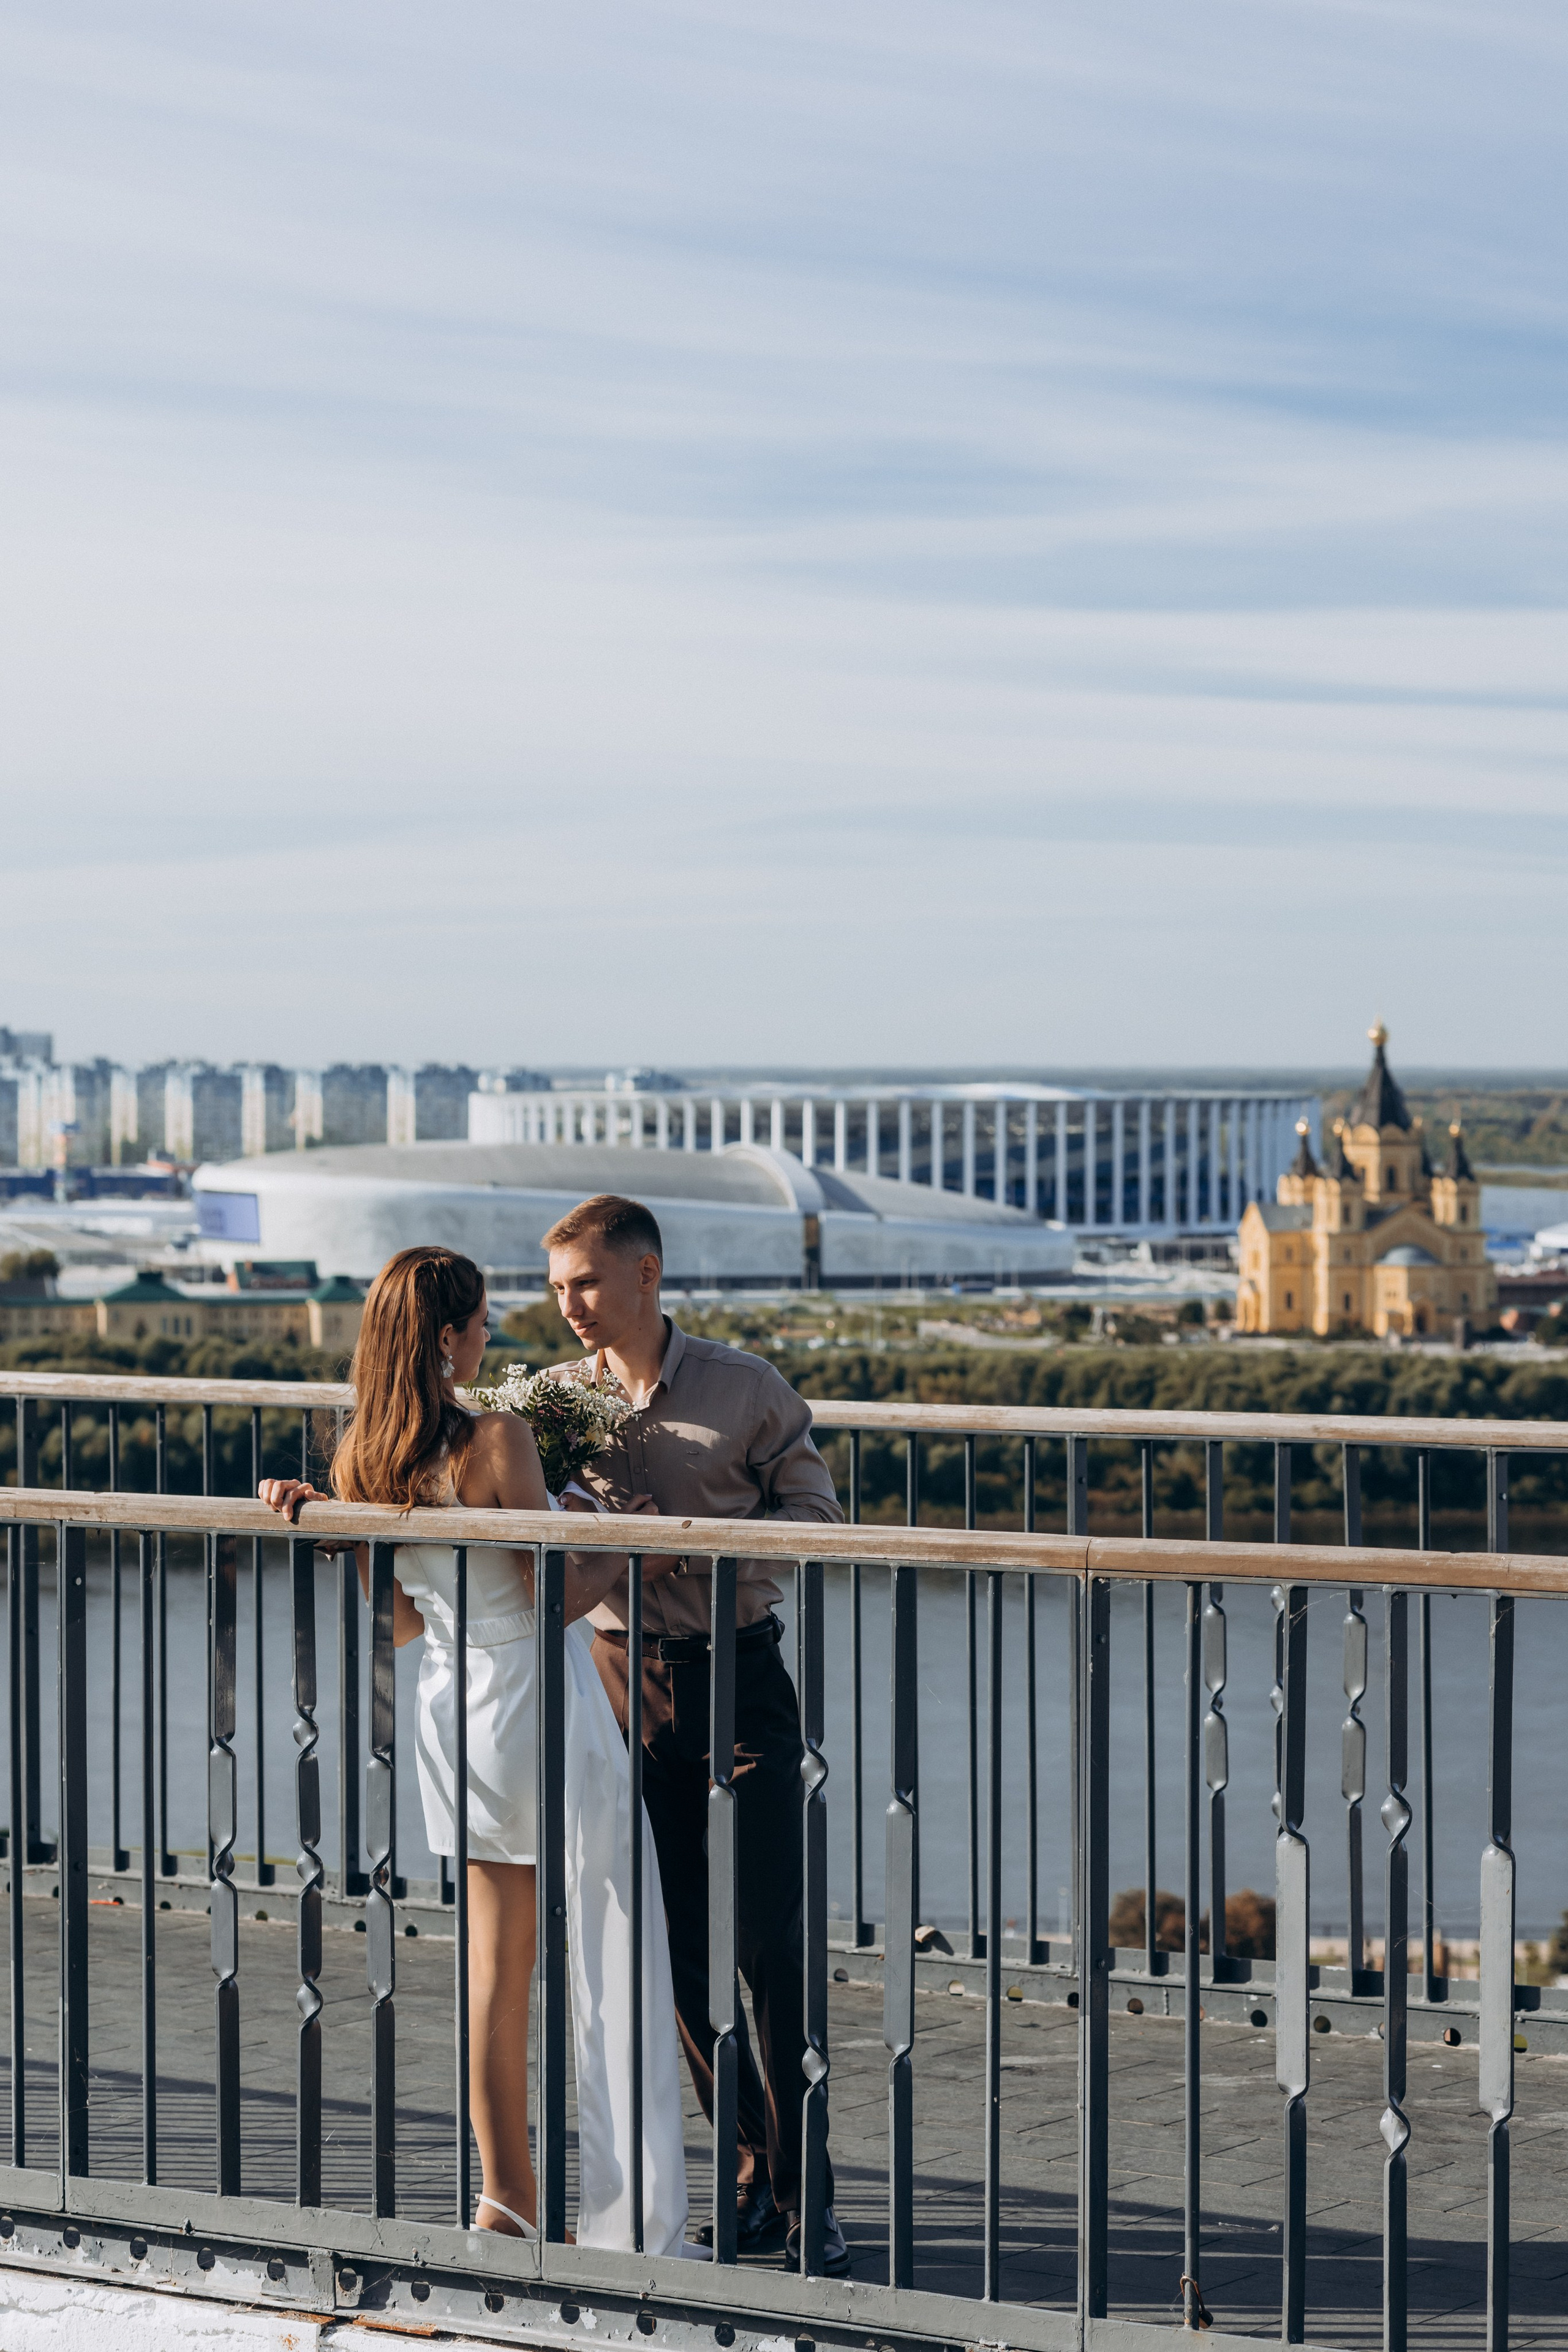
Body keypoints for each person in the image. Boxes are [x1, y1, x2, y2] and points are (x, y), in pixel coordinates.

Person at [260, 1244, 698, 2255]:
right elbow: (556, 1595)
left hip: (452, 1706)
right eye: (485, 1321)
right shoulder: (496, 1438)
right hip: (537, 1698)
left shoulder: (363, 1457)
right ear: (451, 1337)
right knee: (615, 1940)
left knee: (495, 1970)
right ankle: (630, 2216)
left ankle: (506, 2200)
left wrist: (330, 1523)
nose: (491, 1336)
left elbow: (399, 1625)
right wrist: (622, 1538)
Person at [544, 1194, 851, 2276]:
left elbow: (819, 1521)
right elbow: (448, 1471)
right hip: (618, 1687)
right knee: (674, 1958)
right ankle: (753, 2176)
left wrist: (682, 1548)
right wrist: (322, 1493)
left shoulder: (746, 1388)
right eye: (557, 1287)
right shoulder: (551, 1402)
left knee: (767, 1946)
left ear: (646, 1274)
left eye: (587, 1281)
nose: (571, 1305)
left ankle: (809, 2200)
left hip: (739, 1682)